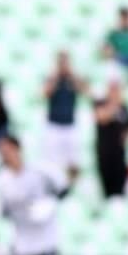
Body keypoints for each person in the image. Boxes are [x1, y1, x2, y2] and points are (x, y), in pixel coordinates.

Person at [43, 50, 88, 182]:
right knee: (52, 160)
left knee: (73, 160)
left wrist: (72, 75)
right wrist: (55, 77)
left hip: (70, 124)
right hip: (54, 124)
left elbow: (85, 90)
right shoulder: (52, 79)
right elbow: (45, 93)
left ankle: (71, 183)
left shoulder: (73, 79)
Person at [93, 76, 128, 199]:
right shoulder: (101, 103)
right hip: (105, 151)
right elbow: (101, 118)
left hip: (119, 152)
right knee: (107, 185)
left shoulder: (125, 108)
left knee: (120, 184)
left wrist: (126, 137)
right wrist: (114, 106)